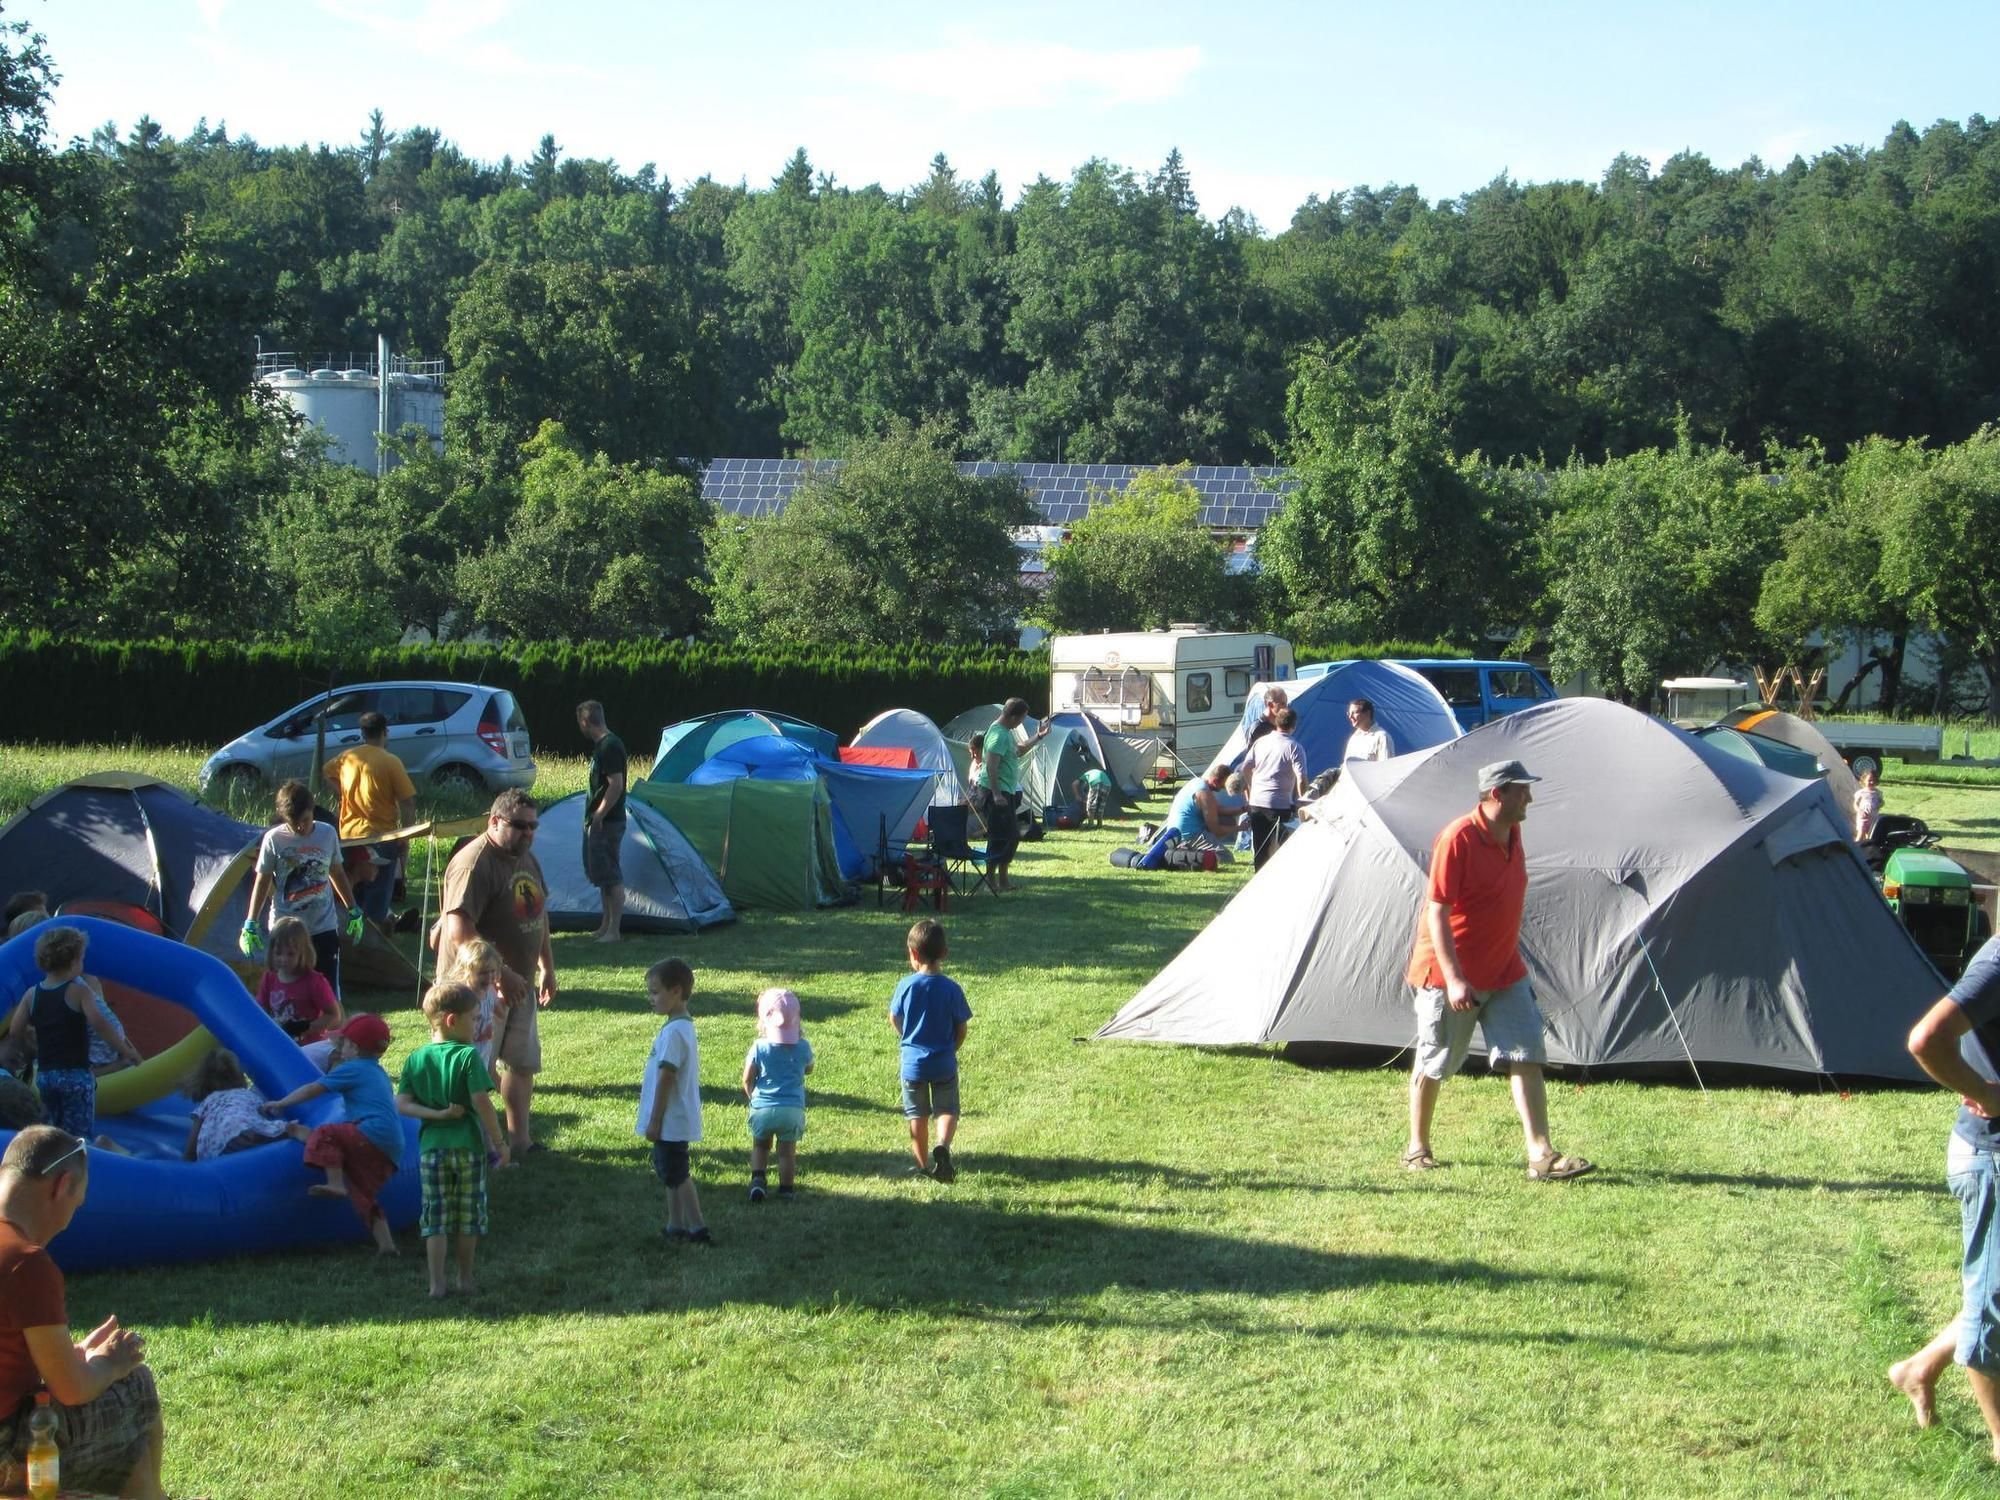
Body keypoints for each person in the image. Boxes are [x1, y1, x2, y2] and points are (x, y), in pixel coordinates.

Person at [1402, 759, 1595, 1181]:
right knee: (1436, 1061)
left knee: (1526, 1054)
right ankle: (1417, 1147)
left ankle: (1540, 1155)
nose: (1530, 797)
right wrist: (1454, 978)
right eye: (1522, 790)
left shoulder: (1513, 832)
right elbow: (1437, 911)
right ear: (1497, 794)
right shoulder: (1458, 838)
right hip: (1449, 973)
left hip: (1505, 969)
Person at [0, 1127, 166, 1499]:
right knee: (135, 1384)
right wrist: (109, 1362)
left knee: (120, 1430)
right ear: (62, 1186)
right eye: (77, 1204)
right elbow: (72, 1389)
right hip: (8, 1449)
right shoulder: (25, 1263)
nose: (68, 1220)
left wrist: (72, 1355)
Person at [1888, 934, 2000, 1459]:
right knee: (1993, 1307)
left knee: (1994, 1297)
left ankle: (1919, 1368)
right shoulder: (1999, 962)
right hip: (1992, 1158)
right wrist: (1988, 1093)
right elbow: (1926, 1038)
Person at [436, 789, 555, 1155]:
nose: (528, 833)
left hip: (519, 981)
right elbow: (459, 932)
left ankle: (520, 1140)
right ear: (494, 821)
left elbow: (538, 913)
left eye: (533, 826)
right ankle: (479, 1145)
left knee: (521, 1063)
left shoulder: (526, 858)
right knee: (476, 1070)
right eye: (519, 826)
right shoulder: (475, 863)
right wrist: (501, 974)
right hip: (476, 989)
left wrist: (546, 966)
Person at [398, 982, 507, 1298]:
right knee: (468, 1215)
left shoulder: (416, 1058)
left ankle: (436, 1284)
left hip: (431, 1150)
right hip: (468, 1149)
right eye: (473, 1018)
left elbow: (402, 1104)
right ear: (451, 1020)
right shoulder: (467, 1056)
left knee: (436, 1216)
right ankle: (465, 1278)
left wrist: (436, 1116)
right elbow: (482, 1102)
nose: (478, 1024)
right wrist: (499, 1143)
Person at [262, 1013, 404, 1256]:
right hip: (392, 1145)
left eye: (344, 1044)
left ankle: (335, 1184)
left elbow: (312, 1089)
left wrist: (281, 1103)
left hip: (371, 1130)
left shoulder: (353, 1069)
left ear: (355, 1048)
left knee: (328, 1133)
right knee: (363, 1194)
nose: (340, 1049)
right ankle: (387, 1245)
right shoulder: (378, 1072)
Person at [6, 927, 141, 1138]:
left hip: (46, 1075)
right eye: (82, 958)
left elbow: (15, 1030)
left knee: (52, 1129)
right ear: (73, 962)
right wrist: (125, 1050)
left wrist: (32, 1048)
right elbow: (100, 1024)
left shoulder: (32, 994)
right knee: (79, 1134)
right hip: (76, 1076)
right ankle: (79, 1164)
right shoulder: (79, 992)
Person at [241, 781, 362, 1001]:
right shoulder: (274, 839)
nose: (300, 828)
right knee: (286, 991)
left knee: (327, 993)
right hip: (286, 928)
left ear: (312, 811)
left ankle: (329, 1034)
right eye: (294, 823)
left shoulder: (327, 834)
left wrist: (352, 908)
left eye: (305, 821)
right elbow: (262, 880)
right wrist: (251, 921)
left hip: (322, 926)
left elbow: (336, 871)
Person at [890, 918, 971, 1182]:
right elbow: (961, 1027)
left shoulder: (905, 986)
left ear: (913, 954)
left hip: (913, 1063)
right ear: (945, 954)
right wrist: (952, 1048)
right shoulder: (951, 988)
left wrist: (907, 1035)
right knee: (947, 1109)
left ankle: (922, 1164)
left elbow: (894, 1018)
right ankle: (943, 1146)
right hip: (944, 1061)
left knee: (917, 1115)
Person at [639, 958, 710, 1244]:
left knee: (678, 1174)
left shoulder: (674, 1033)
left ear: (676, 991)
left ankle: (697, 1227)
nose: (651, 998)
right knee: (670, 1172)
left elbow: (667, 1077)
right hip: (673, 1119)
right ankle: (675, 1223)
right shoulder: (680, 1027)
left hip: (670, 1118)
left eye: (656, 992)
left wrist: (655, 1119)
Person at [324, 711, 417, 927]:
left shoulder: (347, 757)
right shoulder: (390, 761)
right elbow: (408, 802)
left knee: (351, 887)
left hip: (348, 835)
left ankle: (349, 929)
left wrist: (342, 792)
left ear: (362, 733)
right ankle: (374, 933)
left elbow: (327, 771)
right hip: (381, 836)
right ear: (385, 732)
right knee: (378, 892)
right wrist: (406, 835)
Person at [742, 987, 813, 1203]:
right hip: (792, 1110)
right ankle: (786, 1189)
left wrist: (752, 1097)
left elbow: (747, 1077)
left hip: (762, 1107)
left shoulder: (759, 1047)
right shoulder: (803, 1047)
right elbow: (809, 1068)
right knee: (786, 1153)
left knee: (760, 1146)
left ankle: (758, 1180)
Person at [979, 699, 1049, 892]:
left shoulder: (1005, 733)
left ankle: (1002, 880)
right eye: (1021, 718)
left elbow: (1018, 751)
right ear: (1013, 716)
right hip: (996, 792)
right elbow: (991, 765)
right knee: (1000, 836)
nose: (1021, 722)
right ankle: (991, 882)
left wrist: (1039, 736)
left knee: (1010, 836)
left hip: (1005, 791)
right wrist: (996, 794)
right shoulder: (998, 735)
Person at [577, 700, 629, 943]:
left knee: (610, 874)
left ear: (586, 721)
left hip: (608, 822)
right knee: (601, 874)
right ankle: (605, 924)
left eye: (581, 723)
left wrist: (600, 814)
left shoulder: (610, 747)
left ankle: (614, 930)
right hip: (599, 822)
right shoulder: (602, 747)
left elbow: (616, 785)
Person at [180, 1050, 288, 1161]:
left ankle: (250, 1136)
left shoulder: (208, 1102)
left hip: (221, 1140)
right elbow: (263, 1112)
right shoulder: (246, 1094)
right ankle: (279, 1132)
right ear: (239, 1077)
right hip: (244, 1124)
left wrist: (188, 1158)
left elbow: (192, 1143)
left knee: (229, 1140)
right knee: (272, 1129)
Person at [254, 916, 343, 1048]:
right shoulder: (269, 978)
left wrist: (306, 1027)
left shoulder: (314, 981)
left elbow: (334, 1016)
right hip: (277, 1044)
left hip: (308, 1050)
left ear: (303, 953)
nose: (283, 959)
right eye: (278, 953)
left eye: (290, 954)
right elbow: (260, 1010)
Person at [1240, 707, 1308, 871]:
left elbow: (1246, 768)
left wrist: (1252, 786)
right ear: (1294, 725)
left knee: (1260, 848)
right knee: (1280, 849)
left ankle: (1258, 879)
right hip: (1279, 804)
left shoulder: (1260, 742)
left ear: (1276, 722)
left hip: (1257, 802)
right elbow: (1301, 778)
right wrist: (1303, 800)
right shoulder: (1294, 747)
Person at [1137, 766, 1242, 869]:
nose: (1222, 789)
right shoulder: (1204, 794)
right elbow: (1216, 830)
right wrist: (1240, 828)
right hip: (1190, 835)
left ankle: (1184, 849)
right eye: (1223, 786)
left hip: (1174, 834)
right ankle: (1184, 852)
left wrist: (1243, 809)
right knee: (1226, 858)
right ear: (1215, 781)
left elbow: (1217, 809)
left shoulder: (1196, 782)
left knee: (1226, 820)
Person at [448, 938, 509, 1078]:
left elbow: (500, 1013)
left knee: (477, 1095)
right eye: (482, 973)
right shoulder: (461, 997)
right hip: (462, 1057)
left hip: (482, 1054)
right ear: (465, 971)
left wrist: (502, 995)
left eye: (493, 971)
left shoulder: (490, 992)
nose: (489, 977)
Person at [1344, 698, 1393, 763]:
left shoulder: (1382, 737)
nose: (1350, 716)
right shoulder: (1354, 737)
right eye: (1349, 713)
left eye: (1354, 713)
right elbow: (1347, 765)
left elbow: (1386, 767)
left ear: (1367, 713)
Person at [1854, 765, 1883, 844]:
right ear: (1864, 780)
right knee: (1861, 833)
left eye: (1873, 780)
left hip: (1873, 816)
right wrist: (1860, 811)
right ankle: (1856, 847)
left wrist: (1879, 805)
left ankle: (1867, 849)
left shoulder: (1877, 793)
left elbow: (1881, 802)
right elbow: (1855, 804)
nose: (1871, 782)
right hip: (1863, 816)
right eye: (1869, 780)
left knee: (1870, 834)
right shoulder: (1861, 793)